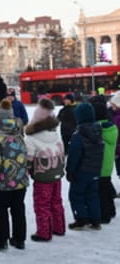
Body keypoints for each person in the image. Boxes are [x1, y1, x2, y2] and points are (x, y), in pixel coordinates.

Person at [0, 99, 29, 250]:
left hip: (3, 182)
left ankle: (1, 239)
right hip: (20, 180)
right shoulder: (19, 132)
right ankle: (19, 239)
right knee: (18, 208)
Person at [24, 99, 65, 242]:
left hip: (42, 176)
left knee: (42, 204)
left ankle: (44, 232)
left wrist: (27, 172)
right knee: (56, 201)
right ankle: (59, 227)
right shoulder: (55, 133)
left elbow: (29, 158)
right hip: (56, 173)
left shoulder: (31, 138)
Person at [66, 102, 104, 230]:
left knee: (76, 195)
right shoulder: (98, 132)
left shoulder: (78, 135)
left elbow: (73, 156)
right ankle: (95, 220)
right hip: (95, 170)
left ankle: (81, 219)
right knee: (92, 195)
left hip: (81, 171)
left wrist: (70, 170)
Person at [90, 101, 117, 224]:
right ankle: (111, 211)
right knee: (106, 187)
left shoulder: (97, 129)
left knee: (100, 191)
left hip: (99, 165)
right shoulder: (112, 128)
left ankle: (105, 215)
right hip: (108, 164)